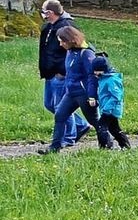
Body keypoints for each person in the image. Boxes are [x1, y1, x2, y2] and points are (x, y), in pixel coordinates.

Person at [37, 26, 113, 154]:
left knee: (95, 121)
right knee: (59, 116)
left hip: (84, 94)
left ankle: (107, 143)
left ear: (71, 40)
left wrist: (92, 95)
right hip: (70, 93)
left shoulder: (86, 53)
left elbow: (92, 76)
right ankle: (54, 147)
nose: (60, 44)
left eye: (62, 41)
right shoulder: (70, 52)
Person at [38, 0, 88, 146]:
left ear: (50, 13)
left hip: (61, 73)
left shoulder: (67, 26)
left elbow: (76, 48)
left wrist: (64, 70)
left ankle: (68, 137)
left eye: (44, 11)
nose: (42, 14)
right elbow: (46, 50)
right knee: (49, 104)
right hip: (50, 72)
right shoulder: (48, 27)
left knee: (62, 107)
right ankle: (81, 125)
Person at [92, 56, 130, 149]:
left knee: (101, 127)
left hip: (110, 109)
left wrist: (107, 108)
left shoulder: (112, 80)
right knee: (114, 129)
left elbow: (116, 96)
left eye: (98, 70)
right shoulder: (103, 79)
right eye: (94, 70)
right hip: (106, 108)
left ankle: (104, 147)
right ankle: (125, 145)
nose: (96, 73)